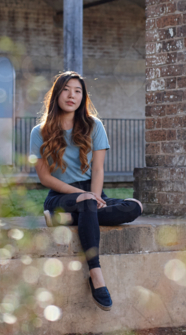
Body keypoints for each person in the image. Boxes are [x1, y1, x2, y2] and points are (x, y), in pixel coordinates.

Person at [29, 71, 143, 311]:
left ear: (83, 97)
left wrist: (95, 196)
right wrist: (80, 195)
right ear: (56, 94)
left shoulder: (94, 126)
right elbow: (44, 177)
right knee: (88, 204)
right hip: (61, 195)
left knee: (134, 207)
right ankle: (96, 273)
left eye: (77, 91)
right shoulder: (39, 131)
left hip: (92, 191)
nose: (72, 95)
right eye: (66, 90)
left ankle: (68, 219)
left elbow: (98, 169)